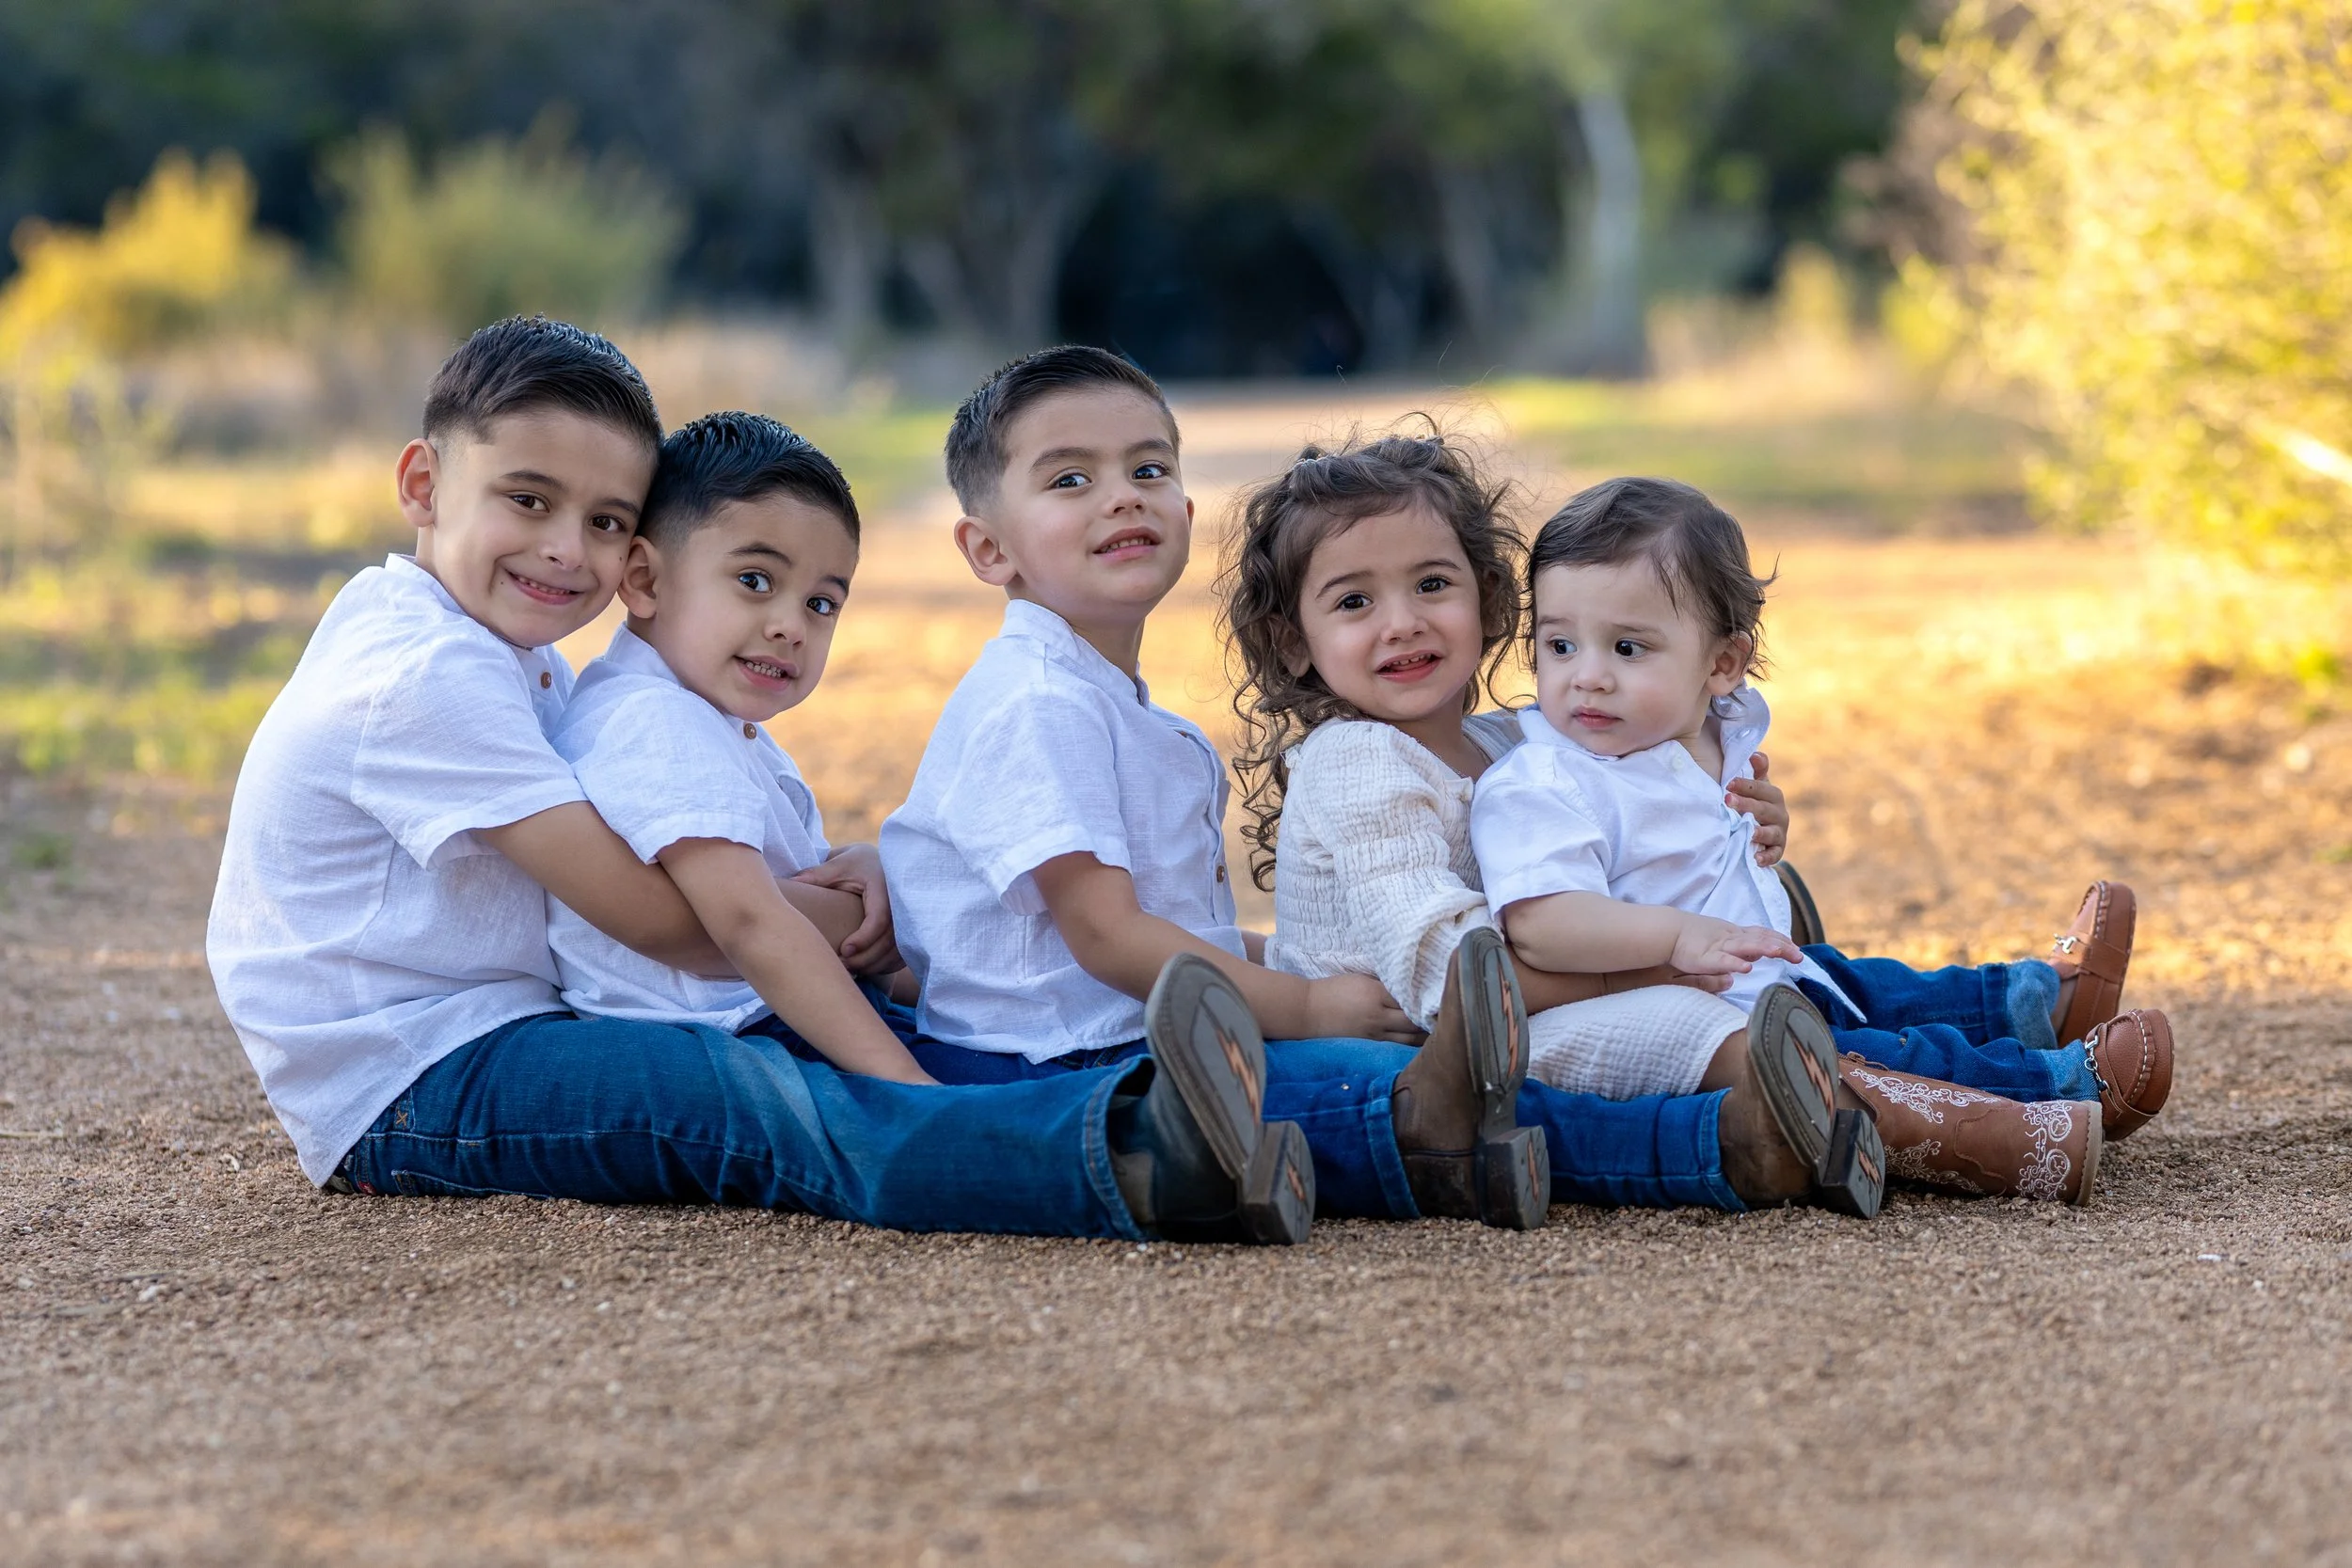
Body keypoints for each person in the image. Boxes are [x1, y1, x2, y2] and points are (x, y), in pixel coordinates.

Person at [204, 315, 1311, 1245]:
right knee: (765, 1104)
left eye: (603, 520)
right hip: (408, 1077)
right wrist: (837, 921)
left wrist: (857, 883)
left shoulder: (497, 648)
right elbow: (671, 920)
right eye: (527, 500)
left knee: (830, 1036)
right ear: (423, 482)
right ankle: (1134, 1158)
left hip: (499, 1025)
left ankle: (1144, 1114)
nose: (565, 551)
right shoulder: (421, 675)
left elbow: (687, 875)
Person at [880, 345, 1877, 1222]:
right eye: (1070, 479)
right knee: (1387, 1084)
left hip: (1177, 1023)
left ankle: (1983, 1024)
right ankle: (1725, 1141)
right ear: (988, 546)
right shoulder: (1040, 703)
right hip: (1089, 1060)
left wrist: (1729, 806)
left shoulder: (1137, 714)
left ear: (1184, 508)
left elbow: (1623, 777)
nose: (1122, 496)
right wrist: (1304, 1005)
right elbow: (1103, 936)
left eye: (1146, 468)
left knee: (1447, 1064)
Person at [1470, 475, 2173, 1193]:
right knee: (1884, 1051)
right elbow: (1544, 924)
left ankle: (2041, 999)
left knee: (1879, 985)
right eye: (1559, 645)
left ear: (1720, 663)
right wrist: (1677, 936)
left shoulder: (1701, 733)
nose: (1587, 677)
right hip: (1712, 1021)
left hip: (1771, 971)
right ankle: (2058, 1087)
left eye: (1625, 647)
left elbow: (1701, 839)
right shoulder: (1543, 784)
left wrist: (1766, 824)